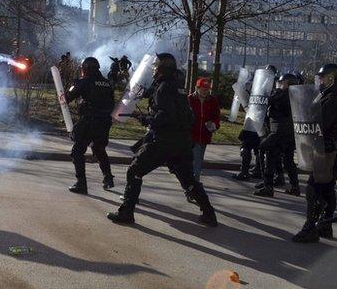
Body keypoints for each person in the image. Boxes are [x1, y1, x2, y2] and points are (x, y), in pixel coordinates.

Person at [106, 53, 218, 227]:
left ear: (163, 69)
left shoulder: (165, 88)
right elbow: (185, 115)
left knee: (134, 170)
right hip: (182, 142)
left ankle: (126, 213)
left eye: (156, 67)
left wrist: (146, 119)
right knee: (188, 180)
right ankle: (209, 214)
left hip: (164, 140)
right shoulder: (176, 87)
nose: (153, 70)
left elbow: (165, 115)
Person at [292, 64, 337, 243]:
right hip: (326, 147)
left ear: (332, 79)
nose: (320, 81)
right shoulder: (329, 96)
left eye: (323, 78)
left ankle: (311, 227)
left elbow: (320, 122)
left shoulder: (331, 99)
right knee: (327, 186)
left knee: (314, 188)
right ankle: (325, 224)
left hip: (325, 148)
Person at [65, 57, 115, 194]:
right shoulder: (107, 83)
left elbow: (68, 98)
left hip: (90, 121)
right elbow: (111, 103)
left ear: (85, 69)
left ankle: (81, 184)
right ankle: (108, 178)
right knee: (99, 149)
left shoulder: (85, 81)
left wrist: (72, 86)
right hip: (104, 122)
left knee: (77, 151)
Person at [255, 73, 301, 197]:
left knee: (266, 152)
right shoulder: (296, 96)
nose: (279, 84)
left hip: (278, 132)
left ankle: (268, 185)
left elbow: (266, 101)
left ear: (287, 84)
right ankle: (295, 186)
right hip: (289, 134)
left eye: (282, 82)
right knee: (288, 161)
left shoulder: (281, 94)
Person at [189, 77, 220, 182]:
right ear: (197, 88)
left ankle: (192, 181)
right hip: (191, 134)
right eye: (202, 88)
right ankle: (193, 183)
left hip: (205, 135)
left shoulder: (213, 101)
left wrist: (214, 124)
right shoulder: (189, 99)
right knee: (195, 160)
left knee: (198, 159)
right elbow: (184, 115)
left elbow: (216, 116)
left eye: (207, 89)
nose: (205, 91)